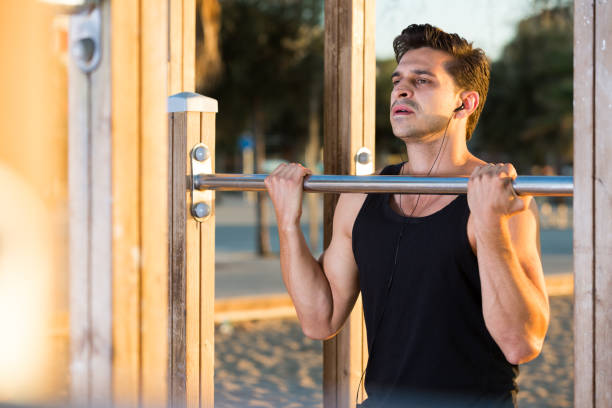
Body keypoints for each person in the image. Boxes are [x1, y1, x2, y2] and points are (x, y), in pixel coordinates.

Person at [264, 24, 549, 407]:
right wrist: (287, 223)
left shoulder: (499, 200)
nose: (401, 89)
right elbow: (320, 319)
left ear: (464, 104)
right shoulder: (363, 195)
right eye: (398, 80)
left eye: (423, 80)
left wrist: (489, 224)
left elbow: (521, 343)